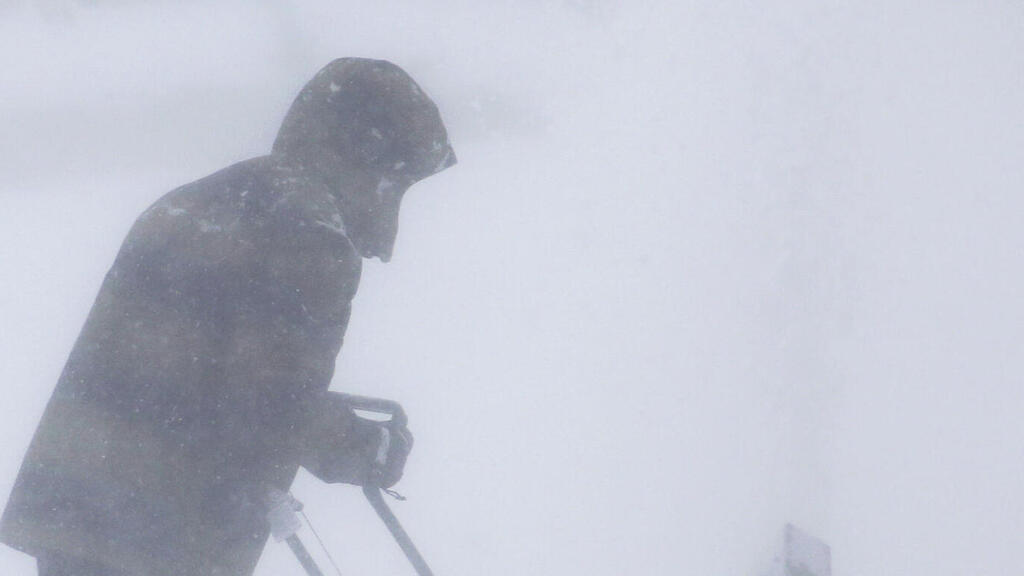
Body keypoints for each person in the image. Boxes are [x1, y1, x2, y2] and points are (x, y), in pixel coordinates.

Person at [0, 58, 456, 576]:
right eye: (395, 181)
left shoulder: (196, 201)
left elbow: (202, 370)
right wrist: (364, 449)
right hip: (166, 534)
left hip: (76, 509)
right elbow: (271, 403)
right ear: (367, 160)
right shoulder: (310, 236)